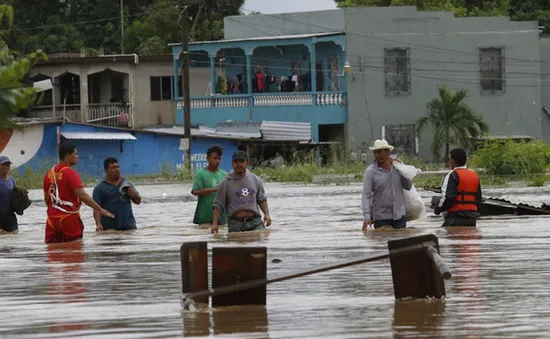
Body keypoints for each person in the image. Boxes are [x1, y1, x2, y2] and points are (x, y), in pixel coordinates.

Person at [43, 143, 114, 243]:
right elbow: (82, 195)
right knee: (74, 251)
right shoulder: (71, 174)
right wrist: (100, 209)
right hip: (69, 218)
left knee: (53, 252)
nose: (77, 157)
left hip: (51, 220)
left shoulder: (49, 174)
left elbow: (47, 198)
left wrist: (54, 211)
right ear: (68, 156)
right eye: (75, 154)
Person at [211, 150, 271, 234]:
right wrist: (214, 224)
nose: (239, 164)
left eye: (242, 161)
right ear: (232, 163)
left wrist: (267, 215)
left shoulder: (255, 179)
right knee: (237, 246)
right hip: (236, 223)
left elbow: (261, 199)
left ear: (247, 162)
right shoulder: (226, 182)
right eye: (236, 161)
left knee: (260, 244)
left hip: (255, 222)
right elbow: (218, 205)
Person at [362, 139, 413, 231]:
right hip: (381, 217)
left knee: (399, 243)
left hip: (399, 216)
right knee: (382, 243)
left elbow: (408, 186)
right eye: (375, 153)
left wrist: (401, 169)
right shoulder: (370, 172)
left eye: (380, 152)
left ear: (388, 152)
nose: (377, 156)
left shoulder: (397, 167)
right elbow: (366, 195)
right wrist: (367, 216)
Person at [434, 148, 482, 226]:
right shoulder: (474, 175)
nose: (449, 162)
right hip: (472, 219)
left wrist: (438, 209)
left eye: (450, 159)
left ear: (453, 160)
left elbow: (448, 197)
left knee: (445, 235)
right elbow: (478, 199)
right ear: (465, 160)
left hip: (456, 216)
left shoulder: (452, 175)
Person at [92, 157, 141, 232]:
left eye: (118, 167)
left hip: (129, 226)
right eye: (113, 168)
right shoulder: (99, 188)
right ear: (106, 170)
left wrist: (134, 195)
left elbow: (138, 201)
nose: (117, 169)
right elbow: (96, 208)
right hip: (109, 228)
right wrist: (98, 224)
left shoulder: (127, 184)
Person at [191, 145, 227, 227]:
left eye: (219, 158)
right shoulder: (200, 174)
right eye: (214, 158)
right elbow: (195, 191)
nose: (217, 161)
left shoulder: (224, 175)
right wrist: (215, 189)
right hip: (204, 218)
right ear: (207, 158)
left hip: (222, 218)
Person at [0, 156, 17, 232]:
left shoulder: (12, 180)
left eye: (7, 164)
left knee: (14, 236)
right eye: (3, 165)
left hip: (10, 216)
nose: (6, 167)